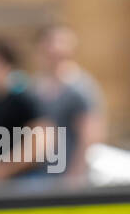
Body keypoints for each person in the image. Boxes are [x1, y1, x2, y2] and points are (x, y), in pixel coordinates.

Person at [0, 39, 59, 189]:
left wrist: (4, 169)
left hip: (25, 182)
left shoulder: (23, 95)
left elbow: (43, 138)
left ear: (1, 62)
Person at [34, 25, 106, 187]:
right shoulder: (38, 87)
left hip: (69, 176)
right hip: (43, 174)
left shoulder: (80, 89)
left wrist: (75, 175)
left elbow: (91, 136)